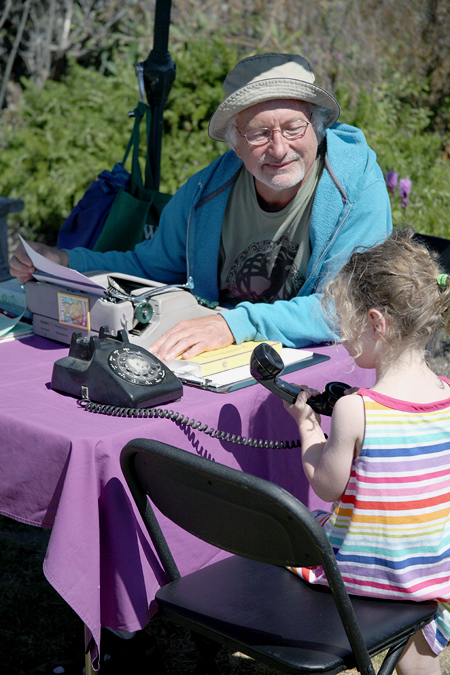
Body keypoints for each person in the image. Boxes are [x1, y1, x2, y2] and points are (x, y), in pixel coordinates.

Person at [10, 53, 392, 361]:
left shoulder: (356, 188)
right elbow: (149, 268)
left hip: (322, 370)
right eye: (259, 133)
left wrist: (232, 325)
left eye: (294, 127)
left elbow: (345, 309)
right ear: (235, 143)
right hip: (218, 362)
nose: (278, 148)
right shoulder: (204, 192)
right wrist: (65, 262)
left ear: (318, 126)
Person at [285, 229, 450, 675]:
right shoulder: (449, 397)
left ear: (377, 323)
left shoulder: (355, 409)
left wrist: (307, 431)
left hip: (366, 575)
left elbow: (325, 484)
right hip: (430, 574)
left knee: (303, 536)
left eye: (346, 324)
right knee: (418, 659)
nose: (342, 338)